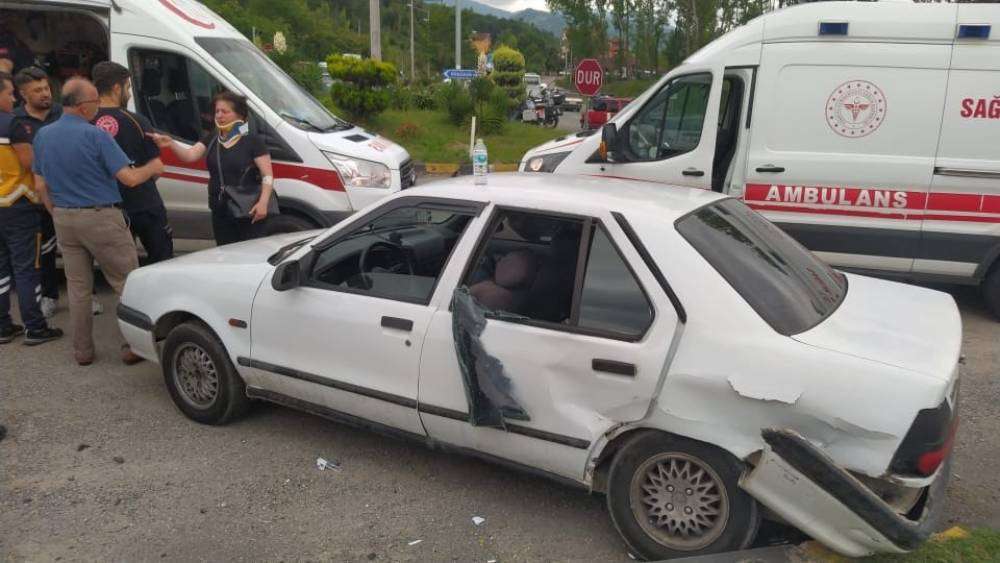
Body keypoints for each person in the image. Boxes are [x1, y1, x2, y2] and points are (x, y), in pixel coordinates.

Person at [31, 77, 163, 366]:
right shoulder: (96, 136)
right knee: (126, 282)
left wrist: (56, 212)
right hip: (101, 217)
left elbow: (40, 185)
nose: (98, 107)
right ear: (82, 106)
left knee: (78, 288)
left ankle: (83, 351)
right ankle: (135, 345)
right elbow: (129, 179)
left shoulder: (43, 135)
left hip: (64, 217)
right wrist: (154, 165)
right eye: (94, 102)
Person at [149, 91, 274, 245]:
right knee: (224, 250)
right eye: (217, 111)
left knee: (248, 251)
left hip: (247, 208)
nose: (219, 115)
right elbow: (190, 156)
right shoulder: (214, 137)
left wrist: (263, 203)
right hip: (220, 208)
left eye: (225, 112)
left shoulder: (253, 140)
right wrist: (171, 144)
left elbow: (267, 175)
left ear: (239, 115)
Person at [0, 71, 63, 346]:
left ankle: (3, 326)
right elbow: (31, 164)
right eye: (9, 94)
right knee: (27, 269)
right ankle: (35, 327)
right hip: (20, 205)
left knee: (1, 269)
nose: (12, 99)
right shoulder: (12, 124)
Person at [91, 61, 173, 263]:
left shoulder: (87, 122)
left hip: (107, 208)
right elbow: (156, 169)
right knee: (161, 260)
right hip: (144, 204)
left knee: (119, 265)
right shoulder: (136, 121)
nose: (128, 94)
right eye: (127, 87)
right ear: (116, 88)